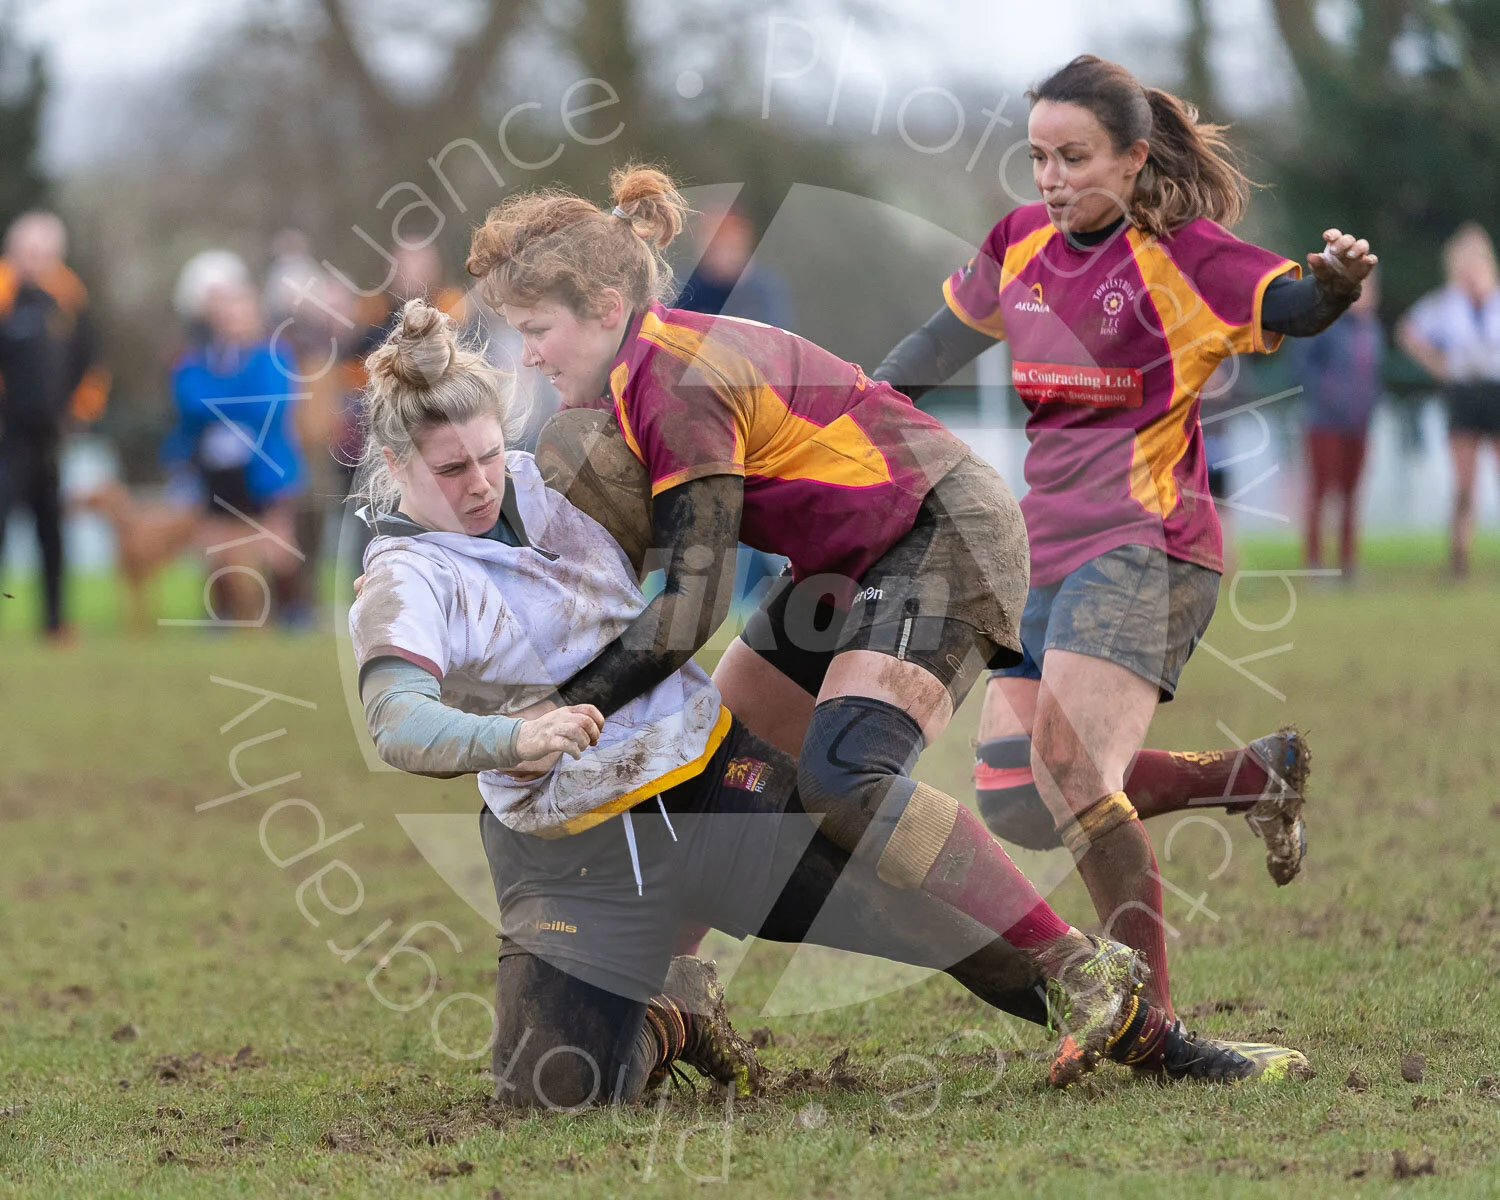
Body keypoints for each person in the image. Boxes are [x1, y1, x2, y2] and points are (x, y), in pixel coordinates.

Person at [463, 162, 1311, 1080]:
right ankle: (682, 991)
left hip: (944, 527)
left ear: (600, 302)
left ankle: (1082, 969)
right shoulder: (631, 377)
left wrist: (552, 715)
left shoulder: (674, 381)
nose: (531, 357)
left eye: (536, 331)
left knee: (846, 776)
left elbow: (690, 607)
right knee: (707, 753)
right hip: (854, 556)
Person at [869, 56, 1376, 1016]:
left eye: (1075, 157)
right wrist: (843, 409)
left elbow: (1298, 306)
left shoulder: (1185, 256)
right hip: (1040, 555)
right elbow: (928, 353)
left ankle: (1143, 1014)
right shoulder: (1017, 243)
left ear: (1136, 158)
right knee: (1015, 797)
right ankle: (1251, 776)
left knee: (1074, 780)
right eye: (1039, 159)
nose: (1052, 178)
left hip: (1146, 546)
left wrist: (1338, 281)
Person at [162, 279, 306, 624]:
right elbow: (189, 400)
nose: (230, 321)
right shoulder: (199, 358)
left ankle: (292, 611)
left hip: (264, 465)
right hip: (215, 469)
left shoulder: (274, 354)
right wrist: (231, 403)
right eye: (223, 315)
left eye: (237, 312)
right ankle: (223, 614)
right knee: (216, 543)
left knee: (275, 542)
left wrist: (218, 403)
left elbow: (269, 404)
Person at [0, 211, 107, 640]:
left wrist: (80, 412)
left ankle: (56, 621)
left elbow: (92, 363)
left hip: (51, 436)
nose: (36, 259)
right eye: (28, 250)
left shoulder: (70, 298)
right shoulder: (4, 294)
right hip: (7, 434)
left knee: (53, 529)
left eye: (44, 251)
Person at [1397, 223, 1500, 578]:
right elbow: (1408, 331)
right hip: (1464, 393)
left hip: (1496, 389)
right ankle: (1459, 557)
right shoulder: (1445, 305)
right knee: (1465, 484)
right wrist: (1438, 364)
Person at [1300, 271, 1385, 575]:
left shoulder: (1373, 330)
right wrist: (1328, 394)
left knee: (1352, 494)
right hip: (1325, 423)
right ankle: (1315, 561)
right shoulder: (1327, 326)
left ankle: (1347, 561)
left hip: (1358, 423)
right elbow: (1304, 368)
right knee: (1320, 493)